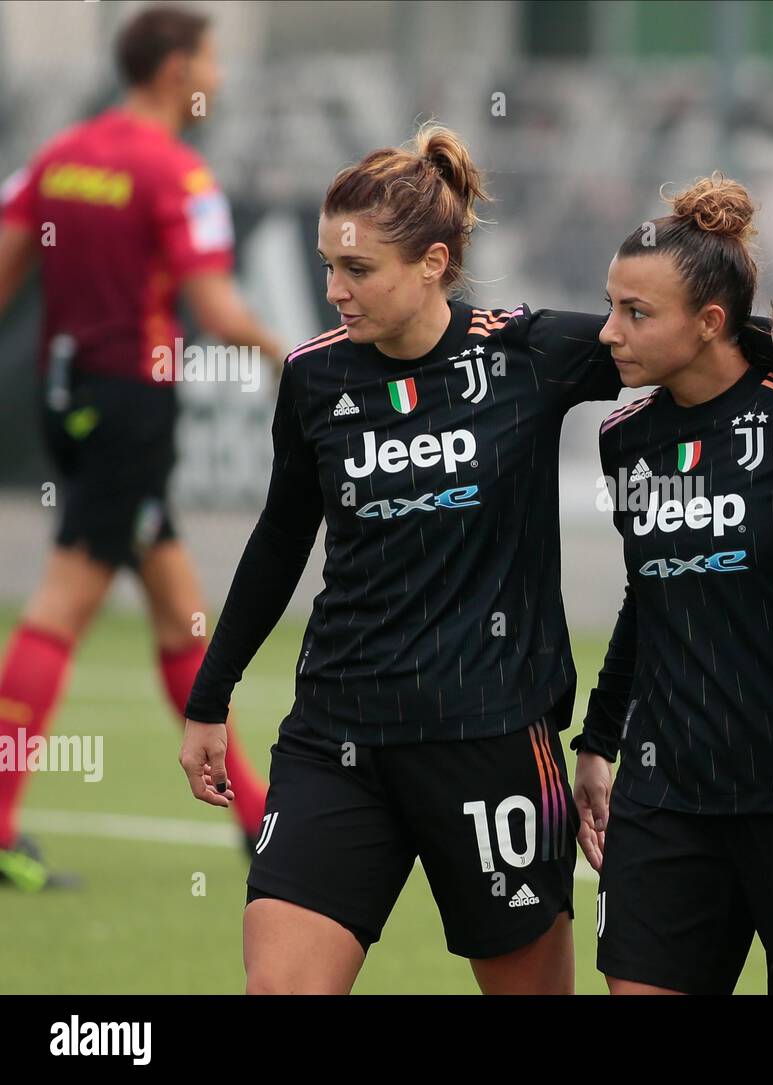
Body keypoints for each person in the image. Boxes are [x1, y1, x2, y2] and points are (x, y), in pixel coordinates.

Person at [179, 123, 629, 994]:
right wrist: (210, 695)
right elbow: (279, 541)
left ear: (432, 262)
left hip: (492, 741)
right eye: (326, 266)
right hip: (337, 735)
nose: (333, 290)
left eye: (357, 270)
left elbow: (683, 341)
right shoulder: (315, 378)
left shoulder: (527, 353)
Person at [0, 5, 282, 888]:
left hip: (69, 395)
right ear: (172, 69)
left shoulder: (60, 156)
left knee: (174, 598)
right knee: (60, 604)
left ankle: (256, 818)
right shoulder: (176, 173)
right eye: (210, 60)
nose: (218, 79)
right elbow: (220, 311)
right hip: (133, 408)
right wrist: (303, 363)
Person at [571, 175, 773, 995]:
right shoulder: (625, 439)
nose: (609, 332)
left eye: (636, 313)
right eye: (611, 305)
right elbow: (645, 594)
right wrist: (598, 740)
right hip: (665, 797)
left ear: (711, 323)